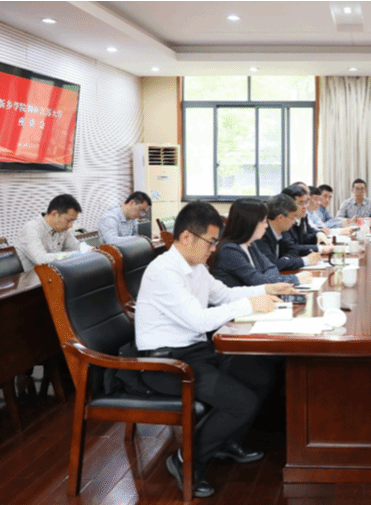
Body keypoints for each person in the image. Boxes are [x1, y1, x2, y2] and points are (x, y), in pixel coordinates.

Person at [135, 201, 295, 498]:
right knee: (241, 402)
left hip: (194, 352)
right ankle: (185, 460)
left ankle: (226, 442)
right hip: (167, 363)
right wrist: (250, 304)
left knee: (260, 374)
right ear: (186, 237)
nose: (213, 248)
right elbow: (199, 319)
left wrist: (266, 289)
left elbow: (224, 295)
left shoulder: (195, 267)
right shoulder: (164, 272)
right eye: (210, 241)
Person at [211, 198, 313, 287]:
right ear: (250, 223)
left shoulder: (250, 244)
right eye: (263, 222)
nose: (266, 226)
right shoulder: (229, 251)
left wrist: (265, 278)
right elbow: (259, 282)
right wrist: (295, 279)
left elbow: (272, 267)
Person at [15, 194, 83, 272]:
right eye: (68, 220)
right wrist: (71, 255)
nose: (70, 225)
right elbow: (41, 259)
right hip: (31, 277)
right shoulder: (31, 228)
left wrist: (90, 250)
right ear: (54, 214)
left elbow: (76, 247)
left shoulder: (62, 229)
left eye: (73, 221)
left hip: (53, 274)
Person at [255, 194, 322, 271]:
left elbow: (293, 249)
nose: (293, 222)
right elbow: (272, 264)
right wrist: (306, 260)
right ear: (280, 218)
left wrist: (285, 261)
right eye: (292, 218)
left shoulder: (281, 230)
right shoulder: (262, 234)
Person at [281, 185, 333, 256]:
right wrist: (320, 248)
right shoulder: (283, 221)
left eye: (305, 203)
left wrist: (319, 234)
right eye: (301, 203)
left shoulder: (301, 217)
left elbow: (304, 238)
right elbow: (291, 248)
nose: (305, 207)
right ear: (289, 204)